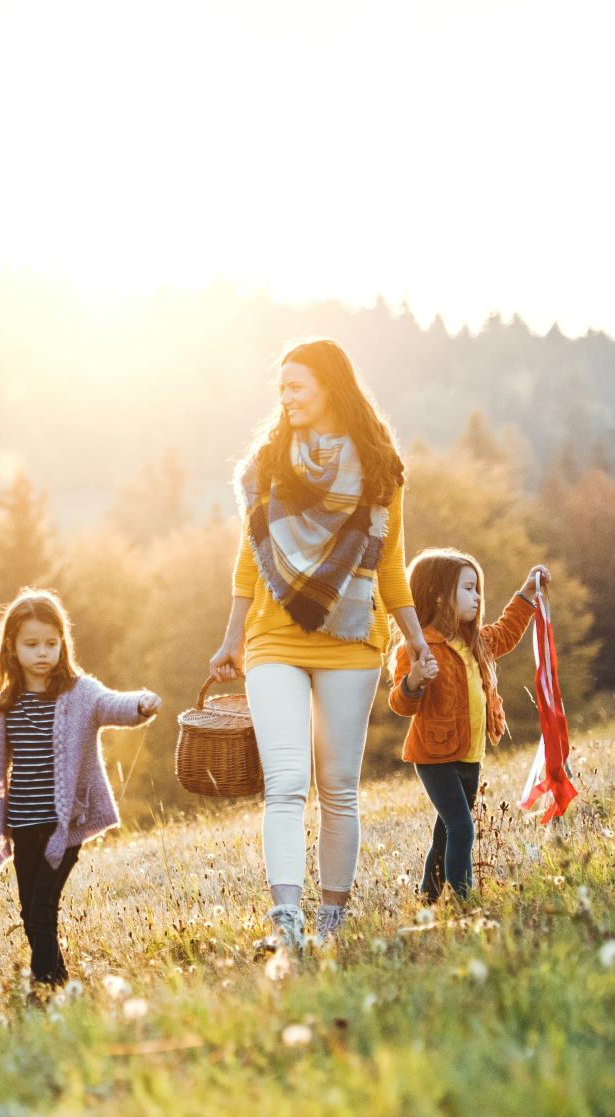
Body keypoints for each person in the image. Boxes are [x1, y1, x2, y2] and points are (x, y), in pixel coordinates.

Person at [208, 338, 433, 952]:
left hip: (352, 639)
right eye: (280, 388)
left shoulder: (380, 468)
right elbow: (250, 560)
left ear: (330, 387)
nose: (286, 398)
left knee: (337, 786)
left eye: (296, 386)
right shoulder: (267, 465)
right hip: (273, 638)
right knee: (285, 781)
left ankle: (332, 922)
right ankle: (286, 921)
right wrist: (231, 639)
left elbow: (391, 566)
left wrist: (416, 643)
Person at [0, 589, 159, 987]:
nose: (42, 653)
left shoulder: (80, 693)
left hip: (63, 828)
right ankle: (58, 983)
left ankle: (44, 990)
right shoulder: (7, 701)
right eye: (32, 644)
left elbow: (113, 705)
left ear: (63, 644)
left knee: (42, 910)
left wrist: (140, 703)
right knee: (30, 914)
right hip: (22, 826)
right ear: (12, 647)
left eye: (51, 644)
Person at [388, 550, 549, 901]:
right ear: (440, 595)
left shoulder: (474, 642)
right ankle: (464, 901)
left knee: (447, 833)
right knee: (461, 828)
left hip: (469, 756)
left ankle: (427, 897)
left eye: (478, 589)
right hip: (434, 757)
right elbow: (400, 704)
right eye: (469, 588)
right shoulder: (419, 647)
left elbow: (506, 632)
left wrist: (527, 592)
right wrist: (413, 682)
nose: (477, 597)